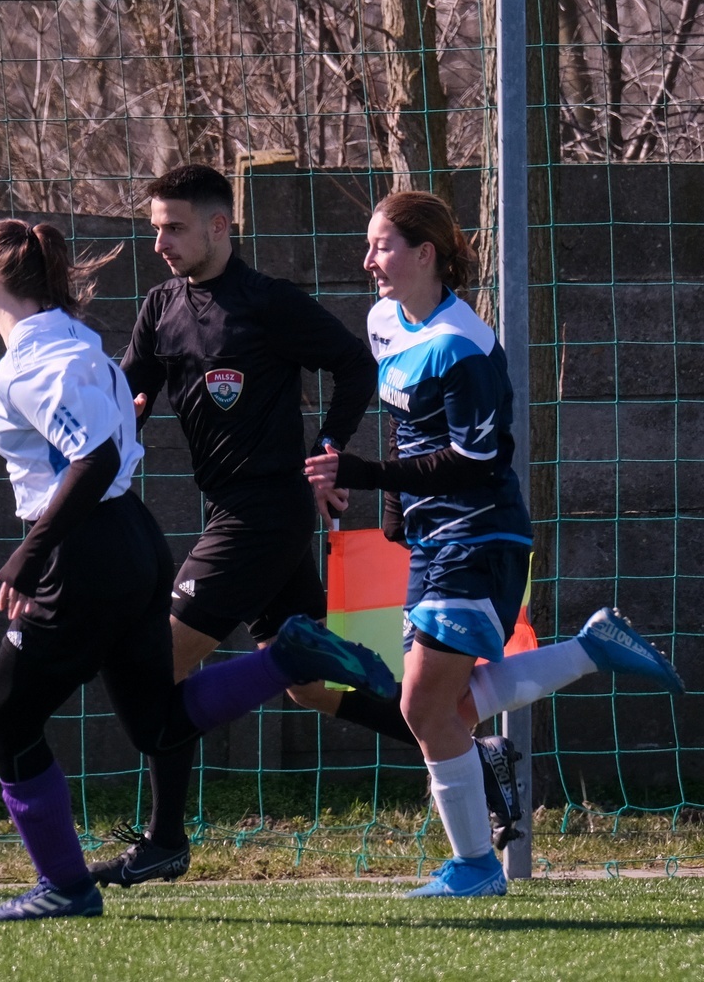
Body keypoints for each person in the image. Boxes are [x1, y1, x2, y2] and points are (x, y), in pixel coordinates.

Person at [94, 165, 524, 890]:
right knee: (314, 690)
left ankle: (164, 841)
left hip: (264, 518)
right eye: (156, 229)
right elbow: (130, 387)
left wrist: (328, 451)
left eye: (173, 228)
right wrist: (105, 418)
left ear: (219, 226)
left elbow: (353, 366)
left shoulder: (268, 303)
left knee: (157, 665)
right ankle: (473, 757)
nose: (160, 243)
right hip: (236, 513)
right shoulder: (161, 305)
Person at [0, 218, 398, 922]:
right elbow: (107, 440)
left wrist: (28, 554)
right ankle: (288, 657)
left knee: (9, 725)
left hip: (81, 554)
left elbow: (96, 458)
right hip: (133, 539)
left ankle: (66, 886)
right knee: (157, 722)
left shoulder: (28, 363)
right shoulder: (78, 341)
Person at [305, 191, 685, 897]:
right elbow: (405, 428)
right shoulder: (384, 322)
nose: (367, 261)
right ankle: (592, 649)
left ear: (425, 254)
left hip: (480, 536)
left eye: (382, 246)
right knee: (444, 711)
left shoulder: (464, 346)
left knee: (423, 710)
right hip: (435, 539)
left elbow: (472, 460)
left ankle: (478, 868)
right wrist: (394, 509)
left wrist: (365, 474)